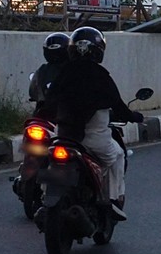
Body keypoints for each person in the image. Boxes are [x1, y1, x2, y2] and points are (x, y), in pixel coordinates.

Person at [44, 26, 143, 220]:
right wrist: (135, 117)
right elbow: (119, 107)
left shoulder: (63, 74)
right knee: (117, 156)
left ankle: (43, 194)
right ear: (98, 51)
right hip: (93, 141)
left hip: (63, 136)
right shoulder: (101, 77)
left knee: (50, 161)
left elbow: (48, 102)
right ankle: (113, 200)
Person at [28, 31, 70, 119]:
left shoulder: (42, 70)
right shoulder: (75, 69)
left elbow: (33, 91)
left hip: (44, 112)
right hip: (68, 112)